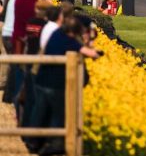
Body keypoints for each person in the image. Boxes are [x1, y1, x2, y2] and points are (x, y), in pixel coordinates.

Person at [30, 16, 101, 154]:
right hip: (55, 84)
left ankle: (33, 141)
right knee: (59, 115)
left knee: (40, 112)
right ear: (74, 32)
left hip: (41, 80)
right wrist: (95, 52)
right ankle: (54, 145)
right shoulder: (70, 41)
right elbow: (89, 52)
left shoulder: (57, 33)